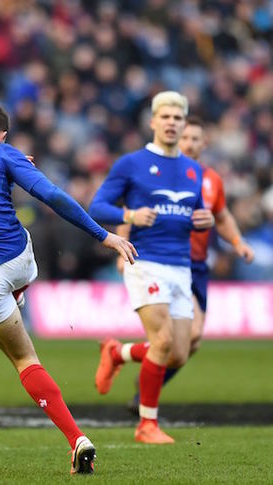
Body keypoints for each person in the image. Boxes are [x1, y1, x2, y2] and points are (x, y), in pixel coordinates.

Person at [0, 102, 137, 474]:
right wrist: (103, 235)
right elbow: (52, 196)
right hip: (17, 260)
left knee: (25, 361)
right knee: (25, 234)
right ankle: (21, 288)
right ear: (2, 135)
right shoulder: (3, 153)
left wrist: (4, 166)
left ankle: (76, 439)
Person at [89, 92, 215, 444]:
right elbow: (97, 205)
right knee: (160, 341)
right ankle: (146, 425)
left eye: (179, 118)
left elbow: (195, 214)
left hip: (181, 266)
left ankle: (117, 352)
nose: (173, 123)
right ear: (153, 121)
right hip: (145, 261)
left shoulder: (193, 169)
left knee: (178, 351)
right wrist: (128, 215)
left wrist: (204, 219)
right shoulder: (132, 163)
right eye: (167, 117)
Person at [108, 116, 255, 412]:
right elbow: (130, 209)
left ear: (204, 143)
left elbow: (222, 216)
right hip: (164, 261)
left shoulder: (209, 178)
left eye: (194, 139)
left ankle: (122, 355)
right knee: (185, 339)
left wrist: (237, 242)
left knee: (189, 345)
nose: (188, 143)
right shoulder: (158, 171)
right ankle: (144, 391)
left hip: (196, 266)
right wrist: (121, 246)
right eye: (184, 137)